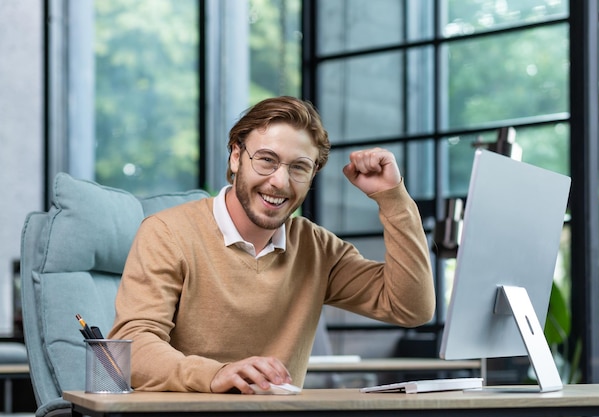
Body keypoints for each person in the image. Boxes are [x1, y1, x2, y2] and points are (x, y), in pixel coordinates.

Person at [108, 96, 435, 394]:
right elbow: (132, 348)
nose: (280, 181)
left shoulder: (316, 248)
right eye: (266, 160)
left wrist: (391, 197)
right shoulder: (167, 233)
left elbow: (411, 307)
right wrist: (216, 374)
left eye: (299, 168)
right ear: (236, 156)